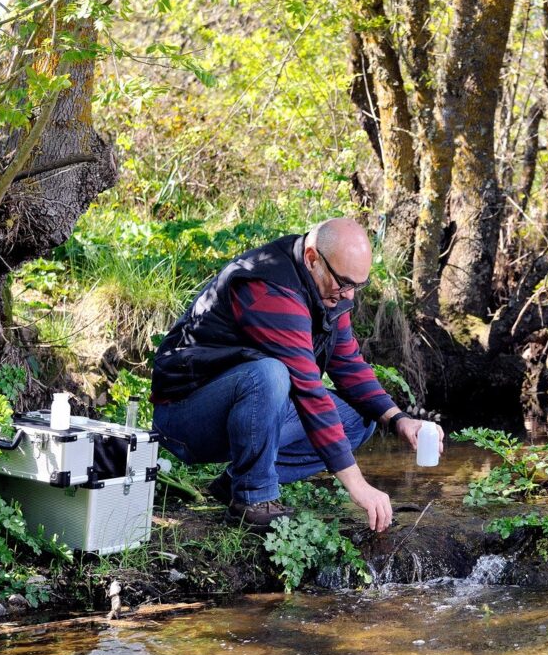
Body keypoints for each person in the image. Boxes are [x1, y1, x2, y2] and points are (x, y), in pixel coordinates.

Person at [150, 217, 442, 533]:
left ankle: (237, 481)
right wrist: (357, 484)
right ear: (312, 258)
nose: (350, 297)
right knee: (269, 374)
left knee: (363, 416)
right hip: (184, 417)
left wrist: (399, 419)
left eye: (359, 286)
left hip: (240, 408)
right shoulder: (269, 288)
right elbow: (309, 392)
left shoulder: (328, 290)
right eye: (345, 283)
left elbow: (349, 366)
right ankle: (253, 498)